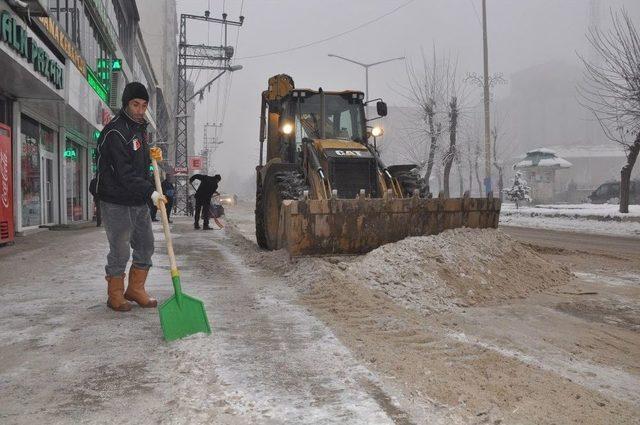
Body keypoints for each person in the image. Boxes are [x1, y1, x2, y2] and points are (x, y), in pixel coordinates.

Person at [90, 82, 167, 312]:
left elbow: (139, 165)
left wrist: (151, 155)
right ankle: (115, 294)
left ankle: (135, 289)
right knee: (120, 249)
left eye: (144, 105)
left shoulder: (139, 129)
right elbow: (124, 173)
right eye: (135, 104)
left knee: (146, 245)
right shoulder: (115, 131)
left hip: (136, 199)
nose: (140, 110)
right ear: (126, 104)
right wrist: (151, 192)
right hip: (115, 200)